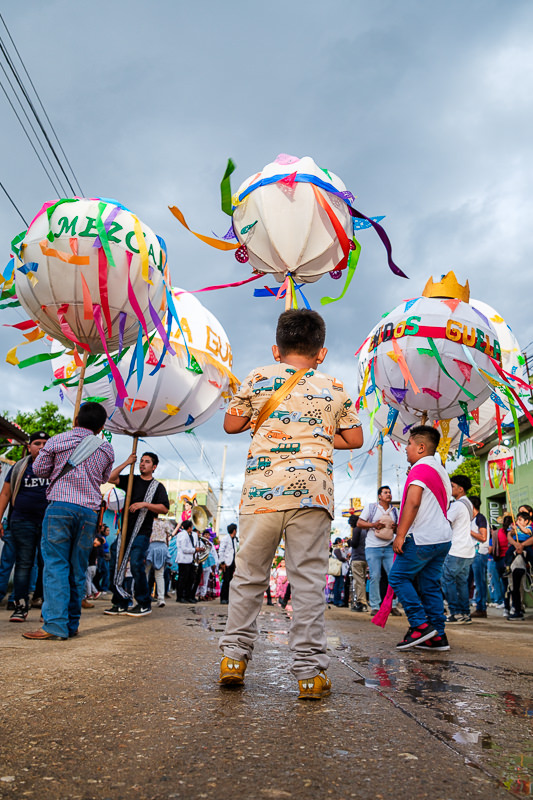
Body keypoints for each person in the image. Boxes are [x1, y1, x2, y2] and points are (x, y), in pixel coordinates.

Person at [218, 309, 363, 700]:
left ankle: (233, 659)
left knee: (248, 576)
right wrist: (315, 434)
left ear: (276, 349)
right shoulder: (334, 386)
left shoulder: (258, 377)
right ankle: (308, 674)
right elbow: (356, 438)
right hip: (313, 496)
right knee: (308, 584)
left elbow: (231, 426)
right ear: (322, 352)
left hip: (262, 494)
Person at [23, 402, 114, 640]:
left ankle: (55, 625)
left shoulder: (57, 440)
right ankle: (71, 625)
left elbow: (40, 469)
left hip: (60, 508)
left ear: (76, 420)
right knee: (77, 568)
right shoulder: (106, 449)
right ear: (101, 427)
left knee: (55, 566)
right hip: (88, 513)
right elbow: (105, 477)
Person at [387, 426, 452, 650]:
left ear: (421, 447)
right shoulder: (440, 469)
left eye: (410, 444)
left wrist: (400, 534)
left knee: (397, 577)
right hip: (442, 538)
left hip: (423, 537)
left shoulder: (420, 468)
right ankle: (437, 636)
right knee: (430, 586)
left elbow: (413, 503)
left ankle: (420, 626)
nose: (406, 448)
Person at [105, 452, 169, 617]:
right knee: (115, 565)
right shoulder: (131, 480)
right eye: (141, 461)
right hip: (124, 530)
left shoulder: (157, 487)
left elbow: (164, 508)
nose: (142, 464)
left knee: (135, 564)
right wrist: (127, 462)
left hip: (141, 532)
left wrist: (145, 504)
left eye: (147, 462)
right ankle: (120, 602)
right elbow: (111, 478)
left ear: (154, 467)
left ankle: (143, 603)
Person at [0, 431, 50, 623]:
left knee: (49, 565)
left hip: (49, 523)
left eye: (46, 443)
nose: (42, 446)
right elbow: (5, 494)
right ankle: (20, 606)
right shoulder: (20, 467)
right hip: (21, 522)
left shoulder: (57, 467)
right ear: (29, 447)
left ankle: (48, 609)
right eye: (37, 443)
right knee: (23, 564)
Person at [358, 486, 401, 617]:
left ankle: (392, 605)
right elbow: (360, 523)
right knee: (375, 577)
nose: (388, 494)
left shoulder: (395, 511)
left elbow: (399, 529)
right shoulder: (371, 507)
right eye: (385, 492)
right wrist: (373, 525)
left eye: (390, 492)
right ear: (379, 496)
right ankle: (375, 606)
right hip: (372, 547)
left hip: (389, 547)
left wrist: (395, 528)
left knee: (393, 577)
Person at [441, 475, 474, 625]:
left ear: (460, 489)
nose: (450, 488)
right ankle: (465, 613)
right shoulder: (468, 504)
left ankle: (454, 612)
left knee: (447, 580)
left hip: (456, 549)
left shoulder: (458, 505)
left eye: (452, 486)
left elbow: (444, 523)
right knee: (461, 582)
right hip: (467, 549)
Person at [504, 510, 533, 621]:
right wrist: (516, 544)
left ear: (527, 520)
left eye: (520, 519)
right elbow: (509, 535)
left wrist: (522, 545)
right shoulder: (514, 528)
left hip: (524, 554)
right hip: (515, 555)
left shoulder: (529, 528)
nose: (518, 521)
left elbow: (530, 536)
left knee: (530, 554)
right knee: (514, 587)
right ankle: (517, 609)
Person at [469, 496, 489, 619]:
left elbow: (483, 537)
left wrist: (468, 531)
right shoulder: (471, 520)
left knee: (479, 581)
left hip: (479, 553)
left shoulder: (480, 518)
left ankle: (481, 608)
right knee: (468, 581)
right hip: (471, 553)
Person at [146, 517, 172, 607]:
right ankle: (161, 598)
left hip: (150, 547)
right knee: (160, 575)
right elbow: (168, 537)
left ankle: (143, 596)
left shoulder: (148, 522)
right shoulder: (165, 523)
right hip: (162, 548)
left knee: (145, 573)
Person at [175, 519, 201, 603]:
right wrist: (195, 550)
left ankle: (187, 596)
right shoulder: (182, 535)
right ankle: (180, 596)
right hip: (183, 560)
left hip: (190, 560)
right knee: (183, 579)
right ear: (189, 527)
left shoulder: (191, 534)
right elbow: (184, 549)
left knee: (190, 579)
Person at [347, 514, 368, 612]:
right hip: (365, 557)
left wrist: (349, 542)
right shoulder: (365, 530)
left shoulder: (357, 529)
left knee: (358, 582)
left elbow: (354, 543)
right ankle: (364, 600)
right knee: (363, 581)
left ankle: (361, 603)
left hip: (357, 558)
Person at [218, 523, 238, 605]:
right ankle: (223, 598)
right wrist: (222, 562)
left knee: (230, 581)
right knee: (225, 581)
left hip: (232, 563)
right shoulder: (225, 539)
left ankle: (228, 598)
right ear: (234, 530)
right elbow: (221, 551)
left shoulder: (234, 539)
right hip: (226, 563)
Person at [330, 538, 347, 607]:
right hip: (339, 570)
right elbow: (340, 558)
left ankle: (337, 600)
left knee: (338, 585)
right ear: (338, 542)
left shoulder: (336, 549)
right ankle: (337, 601)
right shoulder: (337, 549)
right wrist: (345, 559)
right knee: (338, 585)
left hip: (340, 570)